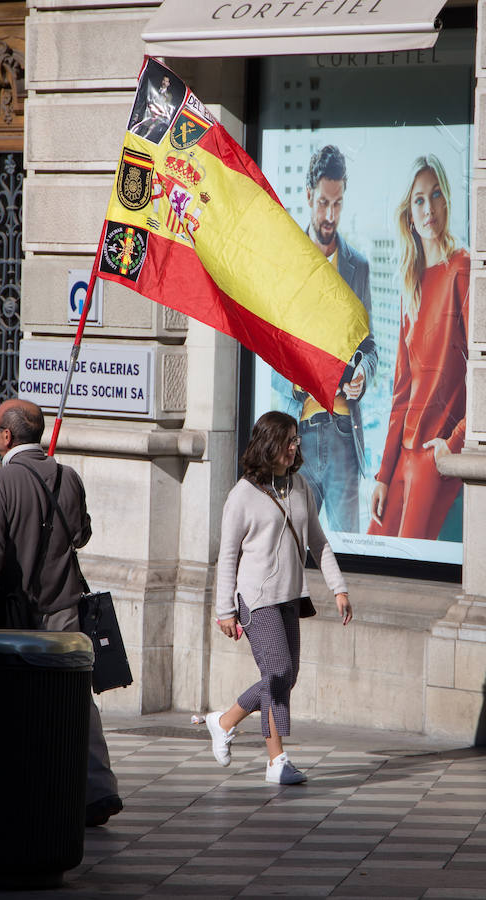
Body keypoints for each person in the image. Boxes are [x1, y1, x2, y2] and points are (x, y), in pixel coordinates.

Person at [0, 398, 122, 827]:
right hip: (63, 611)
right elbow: (82, 535)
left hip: (12, 616)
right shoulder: (68, 476)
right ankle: (99, 790)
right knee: (76, 701)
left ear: (6, 436)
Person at [208, 411, 352, 784]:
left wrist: (339, 588)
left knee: (285, 676)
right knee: (278, 673)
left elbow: (319, 543)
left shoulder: (299, 486)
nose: (294, 447)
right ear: (268, 444)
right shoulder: (242, 495)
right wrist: (225, 609)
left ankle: (223, 722)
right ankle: (276, 762)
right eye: (288, 441)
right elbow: (227, 555)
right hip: (256, 600)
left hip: (290, 595)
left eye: (296, 441)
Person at [368, 155, 469, 539]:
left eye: (436, 195)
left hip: (433, 455)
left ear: (447, 202)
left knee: (408, 563)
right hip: (402, 459)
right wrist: (382, 476)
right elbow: (400, 394)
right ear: (409, 214)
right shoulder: (410, 286)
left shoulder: (463, 268)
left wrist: (453, 443)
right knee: (373, 549)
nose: (429, 209)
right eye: (419, 200)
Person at [293, 145, 378, 533]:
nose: (330, 215)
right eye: (324, 202)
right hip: (299, 435)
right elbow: (263, 344)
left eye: (338, 204)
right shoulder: (289, 261)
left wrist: (362, 372)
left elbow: (370, 347)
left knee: (347, 549)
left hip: (346, 434)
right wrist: (292, 375)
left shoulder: (358, 266)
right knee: (291, 548)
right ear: (309, 195)